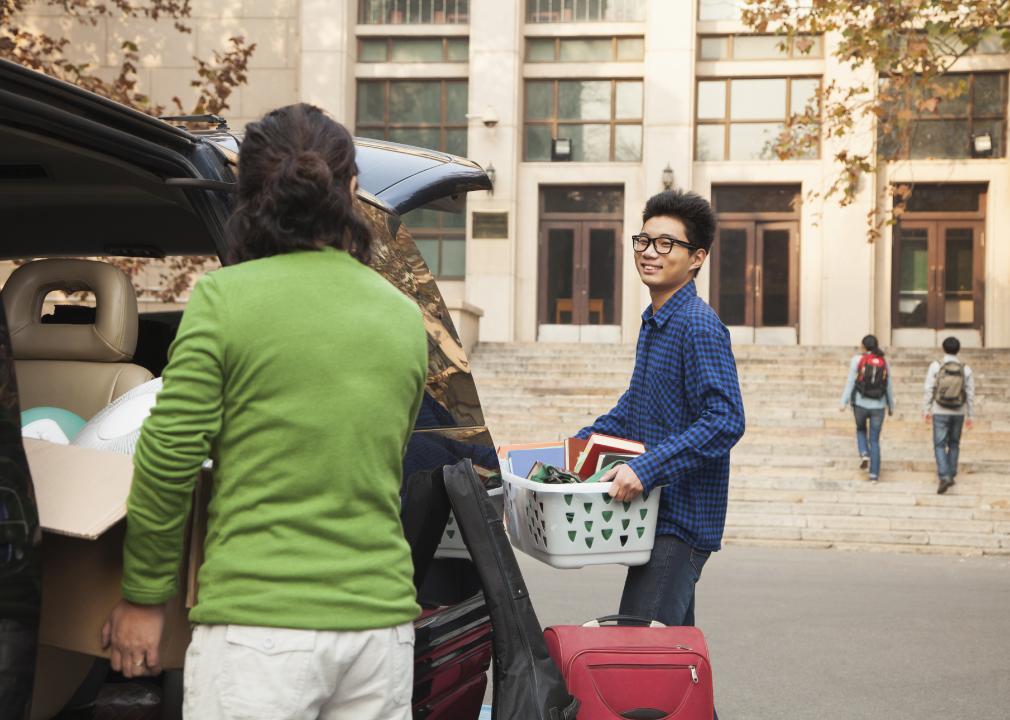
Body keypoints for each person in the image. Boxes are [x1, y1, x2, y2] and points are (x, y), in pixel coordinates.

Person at [102, 104, 428, 719]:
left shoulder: (225, 300)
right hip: (381, 631)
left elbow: (169, 456)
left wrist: (144, 597)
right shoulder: (403, 315)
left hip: (260, 632)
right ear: (353, 191)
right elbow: (382, 456)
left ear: (247, 195)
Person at [575, 189, 746, 632]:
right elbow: (637, 403)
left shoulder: (698, 324)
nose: (650, 253)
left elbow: (725, 420)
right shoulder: (656, 320)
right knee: (668, 658)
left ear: (697, 258)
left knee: (639, 649)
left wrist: (646, 469)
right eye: (644, 241)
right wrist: (579, 446)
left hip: (681, 521)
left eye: (666, 243)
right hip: (655, 517)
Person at [839, 335, 895, 482]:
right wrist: (891, 406)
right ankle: (874, 475)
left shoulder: (857, 360)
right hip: (878, 405)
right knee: (875, 440)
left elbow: (851, 381)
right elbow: (888, 385)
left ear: (863, 346)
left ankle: (864, 452)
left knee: (860, 429)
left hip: (860, 403)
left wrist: (843, 402)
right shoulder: (883, 361)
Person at [924, 336, 975, 495]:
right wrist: (970, 415)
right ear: (958, 349)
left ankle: (944, 475)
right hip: (958, 411)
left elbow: (929, 389)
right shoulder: (965, 369)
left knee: (939, 445)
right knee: (954, 444)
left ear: (943, 348)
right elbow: (970, 393)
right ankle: (951, 475)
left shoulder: (936, 366)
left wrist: (926, 409)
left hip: (940, 410)